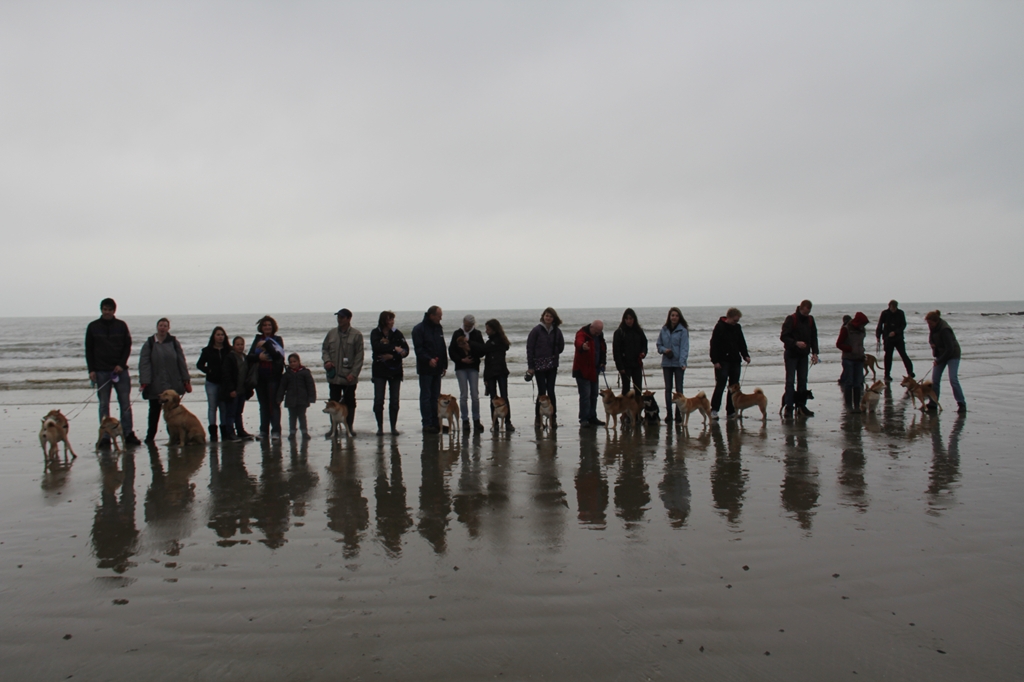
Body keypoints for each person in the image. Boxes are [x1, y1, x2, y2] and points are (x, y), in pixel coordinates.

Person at [85, 298, 140, 446]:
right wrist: (91, 370)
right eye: (104, 309)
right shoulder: (93, 327)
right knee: (103, 405)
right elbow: (89, 350)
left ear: (114, 311)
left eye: (109, 309)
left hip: (119, 371)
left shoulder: (121, 326)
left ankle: (128, 434)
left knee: (125, 403)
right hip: (101, 371)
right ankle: (105, 437)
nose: (107, 312)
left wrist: (121, 364)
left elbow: (127, 346)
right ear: (101, 310)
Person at [138, 318, 191, 443]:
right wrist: (145, 381)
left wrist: (186, 379)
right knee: (154, 411)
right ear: (157, 327)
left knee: (172, 413)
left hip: (172, 382)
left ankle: (174, 438)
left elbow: (181, 361)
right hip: (155, 383)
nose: (162, 328)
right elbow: (144, 363)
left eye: (165, 326)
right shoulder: (150, 343)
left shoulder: (173, 342)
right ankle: (150, 437)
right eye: (161, 325)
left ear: (168, 328)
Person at [322, 308, 364, 436]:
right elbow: (325, 349)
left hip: (349, 377)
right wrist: (327, 361)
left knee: (350, 402)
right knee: (333, 401)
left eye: (342, 317)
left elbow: (359, 357)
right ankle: (333, 429)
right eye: (338, 317)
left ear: (349, 319)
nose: (339, 319)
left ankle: (349, 427)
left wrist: (354, 373)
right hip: (334, 376)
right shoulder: (331, 333)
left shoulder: (356, 335)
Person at [369, 311, 409, 436]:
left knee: (395, 401)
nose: (392, 322)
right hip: (379, 371)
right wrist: (394, 348)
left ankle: (393, 427)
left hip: (395, 371)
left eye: (392, 319)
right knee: (379, 400)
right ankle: (380, 427)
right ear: (383, 321)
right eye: (389, 320)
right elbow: (377, 347)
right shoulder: (375, 333)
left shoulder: (397, 333)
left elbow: (405, 350)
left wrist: (393, 355)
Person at [526, 307, 565, 425]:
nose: (548, 318)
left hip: (552, 365)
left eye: (550, 316)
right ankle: (538, 418)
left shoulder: (557, 331)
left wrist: (554, 352)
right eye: (546, 315)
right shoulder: (536, 330)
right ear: (543, 316)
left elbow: (561, 346)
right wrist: (531, 366)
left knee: (551, 391)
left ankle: (553, 417)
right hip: (538, 366)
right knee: (542, 392)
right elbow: (530, 348)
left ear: (554, 318)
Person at [709, 308, 750, 420]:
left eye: (737, 321)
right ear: (729, 317)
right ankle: (714, 410)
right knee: (720, 385)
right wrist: (715, 361)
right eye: (734, 320)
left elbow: (741, 342)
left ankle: (731, 411)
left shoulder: (737, 327)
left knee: (734, 386)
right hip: (722, 361)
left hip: (735, 360)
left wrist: (745, 355)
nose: (735, 322)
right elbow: (713, 344)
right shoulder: (719, 327)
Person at [780, 300, 819, 417]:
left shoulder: (810, 320)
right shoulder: (791, 319)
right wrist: (796, 343)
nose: (807, 314)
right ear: (801, 308)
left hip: (803, 355)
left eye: (809, 311)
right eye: (806, 311)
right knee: (790, 381)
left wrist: (815, 353)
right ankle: (789, 407)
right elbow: (783, 336)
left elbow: (814, 337)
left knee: (803, 381)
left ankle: (801, 406)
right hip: (791, 354)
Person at [412, 306, 448, 433]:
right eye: (439, 316)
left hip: (437, 368)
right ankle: (427, 424)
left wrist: (444, 364)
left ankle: (436, 423)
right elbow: (419, 349)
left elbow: (442, 347)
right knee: (426, 397)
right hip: (425, 368)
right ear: (431, 315)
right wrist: (428, 359)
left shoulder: (438, 328)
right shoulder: (418, 329)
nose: (440, 318)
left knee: (435, 397)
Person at [248, 315, 285, 440]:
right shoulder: (257, 339)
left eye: (269, 325)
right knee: (263, 405)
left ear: (273, 327)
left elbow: (278, 355)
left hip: (273, 377)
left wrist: (266, 344)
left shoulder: (277, 339)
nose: (267, 327)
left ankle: (276, 431)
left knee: (274, 404)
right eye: (265, 325)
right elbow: (249, 356)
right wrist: (259, 357)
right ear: (261, 327)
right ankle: (264, 431)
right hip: (260, 377)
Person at [449, 314, 487, 433]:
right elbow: (451, 351)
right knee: (463, 395)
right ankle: (465, 420)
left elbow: (482, 351)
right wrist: (461, 360)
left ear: (473, 325)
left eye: (469, 326)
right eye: (465, 325)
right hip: (461, 367)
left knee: (475, 395)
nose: (466, 328)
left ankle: (476, 419)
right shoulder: (457, 333)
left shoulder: (477, 334)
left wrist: (469, 344)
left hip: (473, 367)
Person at [924, 310, 966, 414]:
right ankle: (933, 403)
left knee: (953, 379)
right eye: (928, 323)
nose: (929, 325)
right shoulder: (932, 327)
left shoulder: (945, 330)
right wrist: (933, 345)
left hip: (953, 354)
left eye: (930, 323)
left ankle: (961, 403)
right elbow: (931, 338)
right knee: (935, 380)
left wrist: (939, 360)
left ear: (936, 321)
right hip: (941, 354)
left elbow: (950, 349)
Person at [196, 326, 233, 442]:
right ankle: (213, 433)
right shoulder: (207, 350)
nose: (220, 337)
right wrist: (209, 370)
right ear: (213, 336)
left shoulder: (229, 350)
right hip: (211, 382)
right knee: (212, 407)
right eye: (218, 334)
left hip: (224, 383)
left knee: (223, 407)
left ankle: (224, 432)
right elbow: (199, 365)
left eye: (222, 334)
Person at [656, 307, 689, 422]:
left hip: (678, 363)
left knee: (679, 388)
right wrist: (664, 350)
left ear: (679, 317)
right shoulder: (664, 330)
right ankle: (669, 413)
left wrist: (682, 362)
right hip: (667, 363)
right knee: (668, 389)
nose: (674, 317)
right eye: (672, 315)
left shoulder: (683, 331)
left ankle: (678, 413)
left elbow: (685, 348)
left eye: (676, 315)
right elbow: (659, 345)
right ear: (669, 317)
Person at [572, 320, 607, 426]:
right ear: (591, 327)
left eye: (599, 332)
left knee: (594, 395)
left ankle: (592, 417)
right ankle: (584, 419)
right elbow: (578, 342)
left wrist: (602, 362)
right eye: (596, 332)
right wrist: (583, 346)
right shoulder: (582, 333)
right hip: (582, 370)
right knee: (585, 396)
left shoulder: (599, 336)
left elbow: (602, 349)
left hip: (594, 370)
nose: (598, 334)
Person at [483, 319, 514, 432]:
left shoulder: (499, 342)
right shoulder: (491, 342)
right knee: (493, 398)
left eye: (488, 329)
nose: (486, 331)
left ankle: (507, 421)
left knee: (504, 397)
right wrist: (485, 377)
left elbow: (485, 349)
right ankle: (495, 422)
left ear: (494, 330)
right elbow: (486, 359)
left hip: (500, 371)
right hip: (491, 373)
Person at [221, 335, 254, 440]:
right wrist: (231, 389)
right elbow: (227, 375)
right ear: (233, 346)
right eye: (238, 345)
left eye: (242, 345)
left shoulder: (245, 357)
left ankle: (240, 431)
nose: (240, 347)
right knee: (231, 413)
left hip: (242, 390)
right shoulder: (230, 357)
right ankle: (230, 433)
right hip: (233, 390)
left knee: (239, 412)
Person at [277, 353, 316, 438]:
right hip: (291, 399)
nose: (293, 364)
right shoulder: (287, 374)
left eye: (294, 361)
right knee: (292, 417)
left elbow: (310, 385)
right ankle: (292, 432)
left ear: (299, 361)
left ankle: (304, 432)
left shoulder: (305, 372)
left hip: (303, 399)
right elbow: (282, 388)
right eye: (290, 362)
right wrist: (279, 398)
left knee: (302, 416)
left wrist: (311, 398)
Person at [836, 312, 869, 411]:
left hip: (859, 359)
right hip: (848, 359)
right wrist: (850, 349)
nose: (863, 326)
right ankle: (849, 406)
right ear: (857, 322)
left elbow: (860, 343)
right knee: (849, 383)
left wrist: (861, 352)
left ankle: (857, 405)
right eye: (862, 324)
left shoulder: (862, 330)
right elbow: (839, 344)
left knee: (858, 383)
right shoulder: (846, 329)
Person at [612, 308, 649, 396]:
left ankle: (637, 409)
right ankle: (626, 409)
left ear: (634, 319)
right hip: (625, 366)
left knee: (638, 389)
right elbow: (616, 351)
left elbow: (644, 344)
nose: (629, 321)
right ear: (624, 319)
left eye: (631, 318)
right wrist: (620, 367)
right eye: (627, 319)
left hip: (636, 364)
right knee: (626, 390)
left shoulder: (639, 331)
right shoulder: (619, 332)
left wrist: (643, 353)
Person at [876, 300, 915, 382]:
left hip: (898, 338)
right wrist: (878, 336)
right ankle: (887, 375)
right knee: (888, 356)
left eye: (894, 308)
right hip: (887, 338)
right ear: (889, 306)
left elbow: (903, 324)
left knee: (903, 355)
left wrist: (896, 332)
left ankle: (910, 372)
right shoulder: (885, 313)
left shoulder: (900, 313)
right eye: (891, 308)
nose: (893, 309)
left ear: (896, 307)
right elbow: (880, 324)